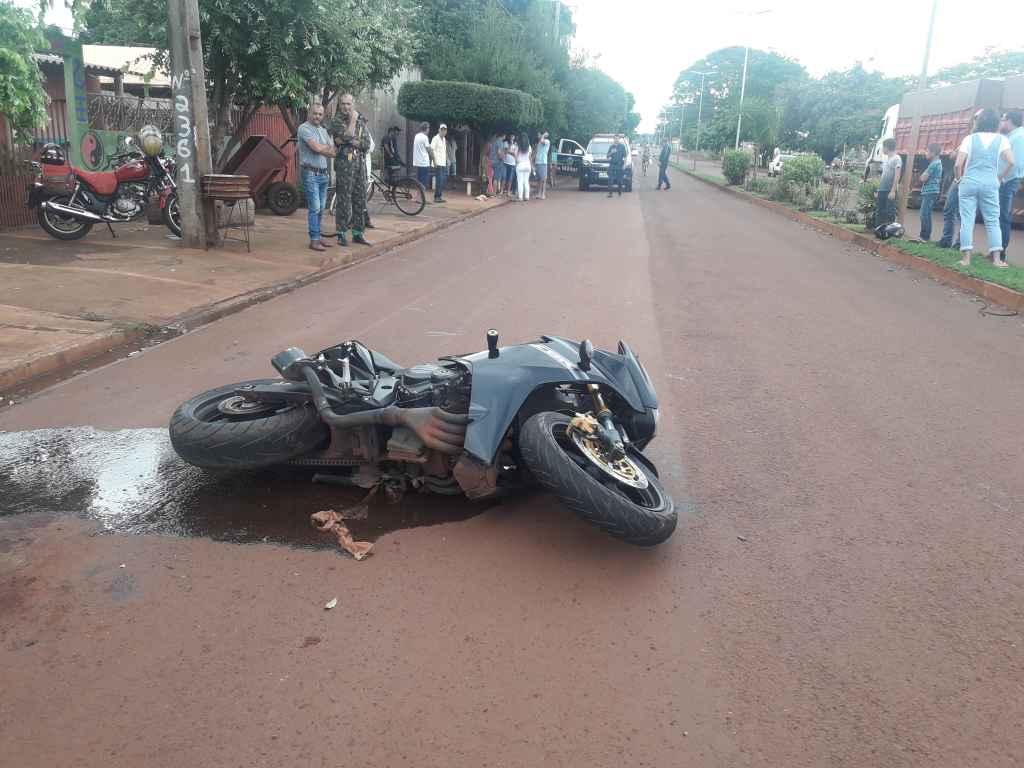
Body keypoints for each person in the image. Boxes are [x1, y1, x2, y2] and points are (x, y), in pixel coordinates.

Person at [955, 108, 1015, 268]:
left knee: (967, 220)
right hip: (990, 183)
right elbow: (1011, 161)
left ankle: (966, 259)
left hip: (969, 182)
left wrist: (959, 179)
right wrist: (999, 177)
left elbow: (958, 164)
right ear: (996, 122)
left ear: (979, 121)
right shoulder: (1002, 139)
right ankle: (997, 259)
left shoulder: (970, 139)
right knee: (993, 221)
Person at [328, 93, 371, 247]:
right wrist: (352, 122)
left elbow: (366, 143)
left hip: (359, 164)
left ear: (353, 104)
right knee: (344, 200)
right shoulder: (336, 121)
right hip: (344, 166)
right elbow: (347, 135)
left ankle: (358, 233)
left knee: (360, 199)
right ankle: (341, 233)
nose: (346, 107)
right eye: (343, 104)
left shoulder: (361, 121)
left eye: (349, 104)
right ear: (339, 105)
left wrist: (349, 141)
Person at [297, 103, 336, 252]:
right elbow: (317, 148)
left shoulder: (322, 130)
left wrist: (324, 148)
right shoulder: (304, 128)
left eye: (320, 114)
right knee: (315, 207)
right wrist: (324, 148)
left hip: (323, 174)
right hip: (310, 173)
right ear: (309, 113)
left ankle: (318, 236)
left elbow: (332, 151)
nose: (317, 116)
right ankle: (314, 240)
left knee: (321, 209)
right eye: (315, 113)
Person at [998, 110, 1024, 260]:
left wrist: (1001, 178)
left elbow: (1016, 164)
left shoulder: (1019, 137)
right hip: (1005, 180)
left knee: (1003, 216)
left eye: (1003, 119)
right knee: (1000, 216)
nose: (1001, 122)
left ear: (1010, 121)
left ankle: (1000, 252)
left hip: (1007, 181)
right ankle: (996, 250)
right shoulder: (1013, 136)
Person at [917, 143, 942, 242]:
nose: (925, 153)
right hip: (931, 191)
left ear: (933, 152)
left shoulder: (934, 164)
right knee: (925, 214)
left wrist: (922, 176)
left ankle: (924, 237)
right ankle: (925, 236)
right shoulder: (937, 163)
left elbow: (923, 178)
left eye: (927, 151)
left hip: (930, 191)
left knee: (924, 214)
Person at [875, 138, 901, 229]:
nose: (882, 149)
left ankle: (890, 232)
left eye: (883, 147)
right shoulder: (886, 160)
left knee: (890, 212)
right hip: (882, 190)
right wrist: (878, 190)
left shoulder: (896, 158)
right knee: (880, 211)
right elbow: (883, 177)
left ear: (887, 147)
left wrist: (893, 191)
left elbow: (897, 175)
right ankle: (879, 231)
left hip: (889, 190)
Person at [430, 123, 449, 202]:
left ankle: (439, 196)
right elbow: (431, 150)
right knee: (439, 180)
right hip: (437, 163)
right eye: (442, 129)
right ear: (439, 130)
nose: (443, 131)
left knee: (443, 179)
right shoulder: (435, 138)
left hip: (443, 163)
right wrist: (434, 161)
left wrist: (447, 159)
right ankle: (437, 197)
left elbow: (445, 151)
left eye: (445, 130)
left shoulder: (444, 139)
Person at [412, 121, 432, 194]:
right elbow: (428, 149)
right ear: (426, 129)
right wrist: (433, 158)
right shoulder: (425, 137)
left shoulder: (416, 136)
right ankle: (422, 198)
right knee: (423, 181)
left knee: (419, 180)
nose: (429, 130)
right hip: (424, 162)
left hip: (417, 162)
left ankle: (418, 196)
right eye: (428, 128)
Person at [514, 132, 532, 202]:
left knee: (520, 182)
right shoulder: (529, 146)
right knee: (526, 181)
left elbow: (516, 157)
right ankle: (527, 196)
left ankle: (520, 197)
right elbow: (530, 157)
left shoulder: (518, 146)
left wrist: (516, 162)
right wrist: (532, 166)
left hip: (520, 165)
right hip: (527, 165)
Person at [535, 131, 550, 199]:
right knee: (538, 179)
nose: (538, 136)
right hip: (538, 162)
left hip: (543, 162)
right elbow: (536, 152)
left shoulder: (547, 141)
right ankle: (538, 193)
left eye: (539, 134)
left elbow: (542, 141)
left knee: (543, 179)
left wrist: (543, 135)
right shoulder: (538, 143)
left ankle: (543, 194)